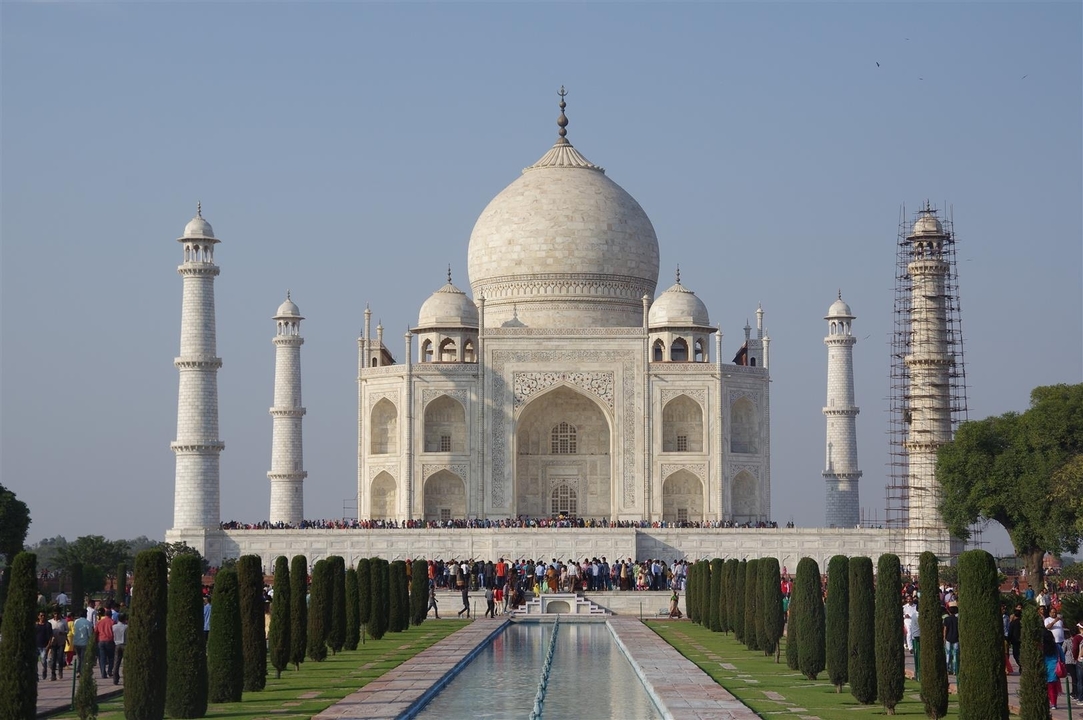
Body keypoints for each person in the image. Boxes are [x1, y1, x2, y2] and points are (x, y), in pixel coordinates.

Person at [1043, 628, 1066, 710]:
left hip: (1044, 668)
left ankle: (1046, 702)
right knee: (1053, 688)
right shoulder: (1057, 646)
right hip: (1054, 668)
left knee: (1045, 688)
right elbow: (1063, 658)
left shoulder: (1041, 647)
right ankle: (1053, 704)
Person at [95, 607, 116, 679]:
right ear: (111, 615)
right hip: (110, 641)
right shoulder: (113, 622)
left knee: (102, 658)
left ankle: (103, 673)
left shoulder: (99, 622)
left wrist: (95, 641)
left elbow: (95, 632)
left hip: (101, 641)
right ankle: (109, 671)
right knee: (111, 657)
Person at [48, 609, 68, 680]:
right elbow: (48, 631)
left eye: (57, 614)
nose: (56, 615)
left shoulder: (64, 621)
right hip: (53, 643)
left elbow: (67, 630)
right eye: (55, 614)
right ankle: (53, 674)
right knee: (53, 659)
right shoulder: (50, 622)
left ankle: (60, 671)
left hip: (61, 642)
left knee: (60, 657)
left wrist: (63, 633)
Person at [943, 603, 960, 675]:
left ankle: (948, 669)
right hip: (956, 638)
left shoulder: (946, 619)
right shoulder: (957, 619)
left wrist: (944, 638)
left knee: (948, 654)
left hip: (948, 638)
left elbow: (945, 629)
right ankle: (955, 670)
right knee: (955, 655)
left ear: (949, 611)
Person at [112, 612, 128, 685]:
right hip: (124, 644)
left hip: (117, 644)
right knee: (126, 662)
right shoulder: (126, 627)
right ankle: (126, 678)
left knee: (116, 662)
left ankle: (115, 679)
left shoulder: (114, 627)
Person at [35, 611, 52, 680]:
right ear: (38, 617)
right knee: (35, 661)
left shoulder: (48, 625)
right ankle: (36, 674)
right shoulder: (36, 625)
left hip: (44, 646)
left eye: (44, 615)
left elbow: (50, 636)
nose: (43, 617)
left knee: (43, 660)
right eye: (41, 615)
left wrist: (49, 645)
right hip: (36, 646)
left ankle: (44, 670)